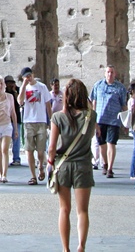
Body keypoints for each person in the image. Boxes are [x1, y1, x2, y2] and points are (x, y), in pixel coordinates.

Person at [47, 79, 97, 252]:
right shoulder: (91, 116)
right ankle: (81, 246)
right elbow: (90, 135)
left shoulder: (58, 117)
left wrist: (49, 163)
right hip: (83, 165)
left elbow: (52, 147)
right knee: (82, 210)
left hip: (63, 165)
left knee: (64, 209)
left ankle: (65, 248)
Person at [89, 65, 129, 178]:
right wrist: (93, 118)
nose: (110, 74)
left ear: (115, 74)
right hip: (100, 119)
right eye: (108, 72)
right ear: (104, 73)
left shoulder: (120, 88)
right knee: (102, 144)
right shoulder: (98, 85)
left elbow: (124, 105)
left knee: (111, 143)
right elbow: (93, 102)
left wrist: (126, 122)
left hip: (113, 120)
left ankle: (110, 168)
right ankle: (105, 164)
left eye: (112, 72)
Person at [17, 66, 53, 185]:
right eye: (26, 76)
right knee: (29, 149)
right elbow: (20, 101)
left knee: (41, 150)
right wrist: (23, 86)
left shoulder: (42, 87)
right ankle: (33, 176)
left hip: (41, 121)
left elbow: (48, 104)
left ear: (32, 74)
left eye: (30, 75)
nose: (29, 77)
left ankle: (41, 166)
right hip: (28, 122)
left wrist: (51, 120)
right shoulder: (24, 88)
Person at [6, 76, 22, 166]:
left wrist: (15, 92)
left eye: (11, 82)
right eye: (8, 82)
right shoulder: (4, 92)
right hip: (7, 119)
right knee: (6, 140)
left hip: (17, 118)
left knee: (16, 139)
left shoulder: (17, 90)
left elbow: (20, 102)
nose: (10, 84)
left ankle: (16, 158)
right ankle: (5, 158)